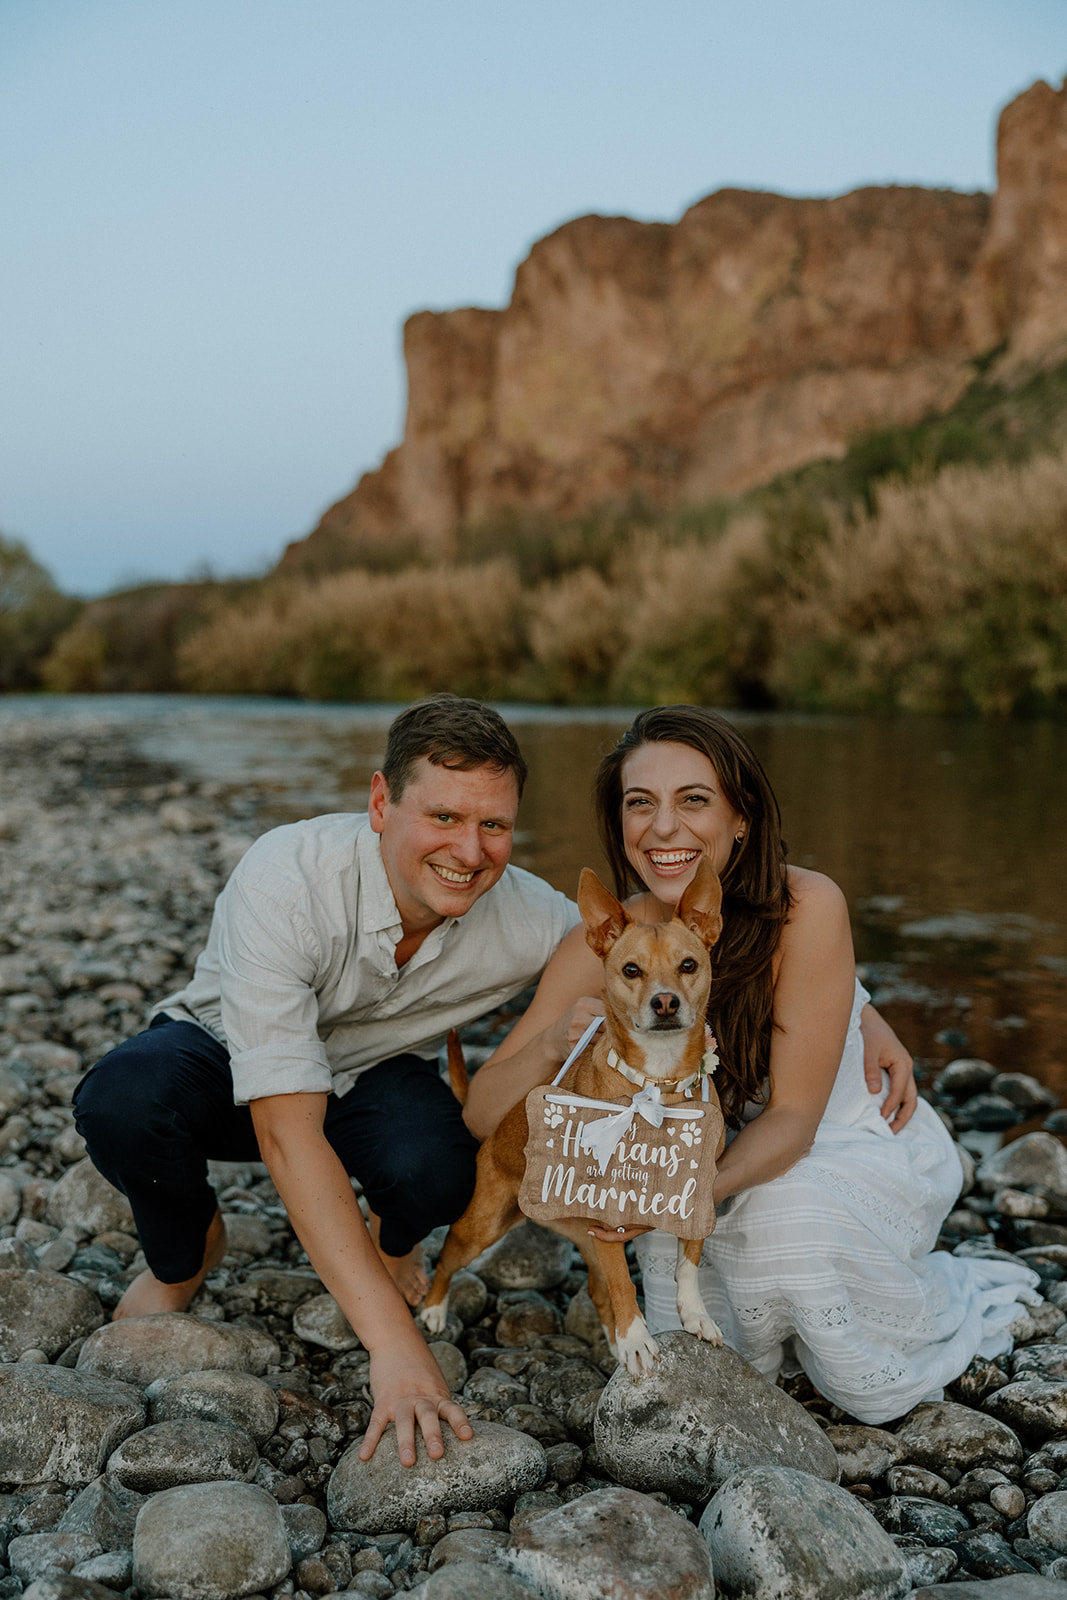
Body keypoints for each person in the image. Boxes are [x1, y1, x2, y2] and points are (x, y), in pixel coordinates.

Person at [464, 705, 1040, 1423]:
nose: (663, 828)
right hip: (703, 1146)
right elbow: (484, 1110)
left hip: (834, 1141)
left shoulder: (807, 906)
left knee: (782, 1228)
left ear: (742, 818)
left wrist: (672, 1200)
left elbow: (795, 1118)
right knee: (691, 1305)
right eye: (638, 804)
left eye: (693, 800)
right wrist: (557, 1045)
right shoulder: (616, 940)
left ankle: (909, 1304)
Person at [73, 695, 580, 1467]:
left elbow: (636, 939)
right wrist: (396, 1348)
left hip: (371, 1076)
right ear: (381, 803)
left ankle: (387, 1235)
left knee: (440, 1174)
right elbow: (285, 1129)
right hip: (223, 1060)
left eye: (494, 826)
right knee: (123, 1103)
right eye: (442, 817)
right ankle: (188, 1251)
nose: (471, 852)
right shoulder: (289, 875)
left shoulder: (532, 916)